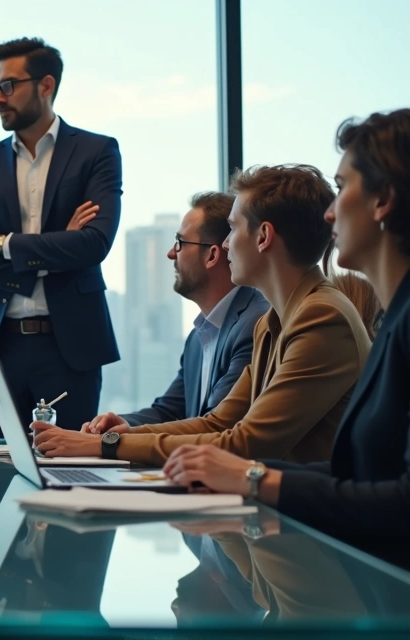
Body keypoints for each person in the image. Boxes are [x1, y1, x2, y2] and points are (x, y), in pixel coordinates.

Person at [162, 109, 410, 571]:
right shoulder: (380, 320)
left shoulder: (328, 315)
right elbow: (353, 473)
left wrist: (253, 477)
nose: (331, 211)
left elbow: (399, 499)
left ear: (384, 201)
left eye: (342, 188)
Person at [34, 164, 372, 467]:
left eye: (233, 229)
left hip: (307, 528)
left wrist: (106, 446)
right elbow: (217, 423)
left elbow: (246, 443)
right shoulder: (275, 322)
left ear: (264, 237)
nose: (225, 246)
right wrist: (108, 440)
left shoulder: (321, 317)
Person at [0, 37, 123, 437]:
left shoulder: (97, 152)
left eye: (8, 86)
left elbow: (94, 243)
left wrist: (3, 244)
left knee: (67, 477)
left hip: (70, 349)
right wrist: (55, 249)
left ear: (46, 85)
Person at [84, 192, 268, 433]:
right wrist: (118, 424)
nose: (171, 253)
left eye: (180, 243)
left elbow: (215, 428)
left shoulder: (254, 325)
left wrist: (116, 441)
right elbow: (169, 412)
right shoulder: (198, 337)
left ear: (212, 255)